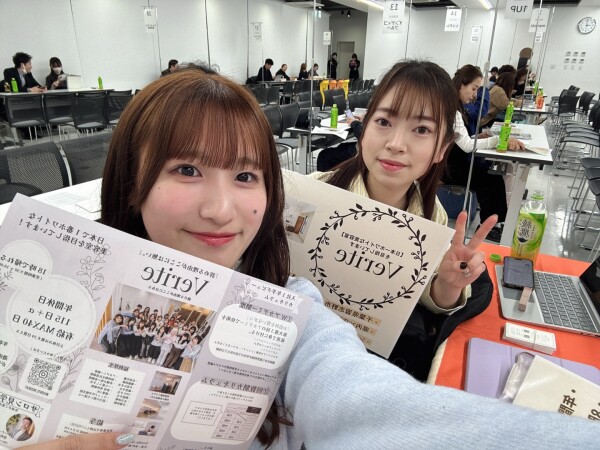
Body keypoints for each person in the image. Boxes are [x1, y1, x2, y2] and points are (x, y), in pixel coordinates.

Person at [30, 67, 600, 450]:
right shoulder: (54, 292)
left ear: (440, 149)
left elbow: (355, 390)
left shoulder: (289, 305)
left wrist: (446, 286)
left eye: (246, 176)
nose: (221, 209)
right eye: (187, 169)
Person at [444, 64, 524, 243]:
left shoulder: (455, 107)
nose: (474, 95)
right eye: (473, 88)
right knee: (491, 181)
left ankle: (492, 223)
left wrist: (478, 137)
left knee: (491, 177)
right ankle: (489, 226)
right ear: (461, 84)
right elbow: (466, 146)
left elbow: (461, 139)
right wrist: (497, 140)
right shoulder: (453, 110)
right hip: (450, 168)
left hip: (454, 162)